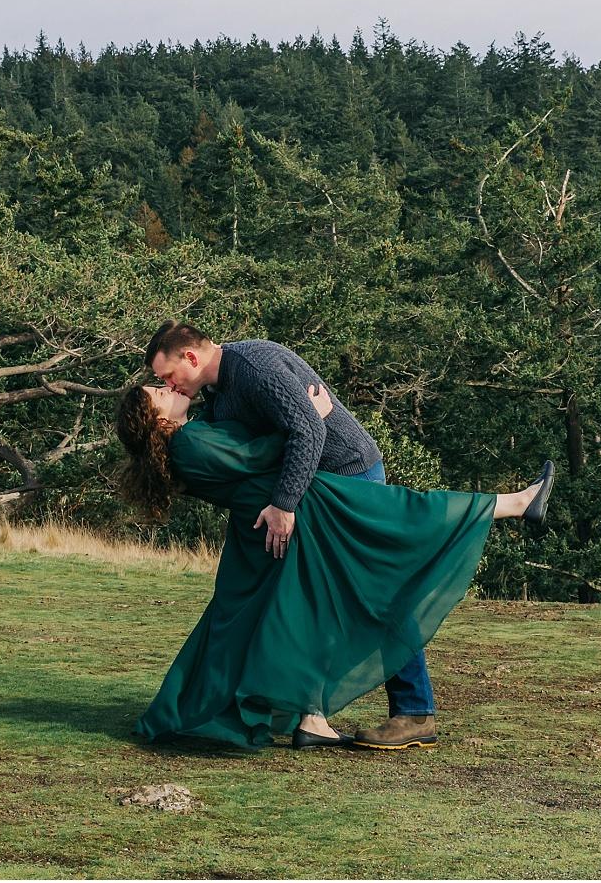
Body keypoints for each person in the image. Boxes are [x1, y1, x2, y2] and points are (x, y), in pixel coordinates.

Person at [116, 380, 554, 750]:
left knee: (303, 613)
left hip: (283, 520)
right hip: (303, 511)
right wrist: (311, 413)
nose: (168, 387)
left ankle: (311, 719)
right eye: (158, 391)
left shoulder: (191, 438)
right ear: (156, 418)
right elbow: (258, 456)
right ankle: (516, 503)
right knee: (405, 514)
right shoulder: (189, 441)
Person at [143, 321, 438, 749]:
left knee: (378, 593)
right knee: (319, 597)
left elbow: (309, 430)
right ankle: (312, 716)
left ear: (191, 357)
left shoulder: (253, 367)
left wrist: (283, 504)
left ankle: (413, 712)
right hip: (319, 490)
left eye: (168, 376)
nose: (168, 384)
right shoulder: (217, 389)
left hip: (349, 475)